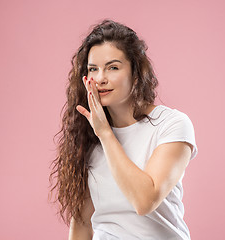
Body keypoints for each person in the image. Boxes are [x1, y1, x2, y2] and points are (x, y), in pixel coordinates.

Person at [49, 19, 198, 240]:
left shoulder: (172, 124)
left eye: (113, 67)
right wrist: (99, 132)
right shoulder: (87, 135)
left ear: (136, 74)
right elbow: (82, 226)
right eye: (93, 69)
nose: (100, 78)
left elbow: (144, 201)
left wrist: (106, 135)